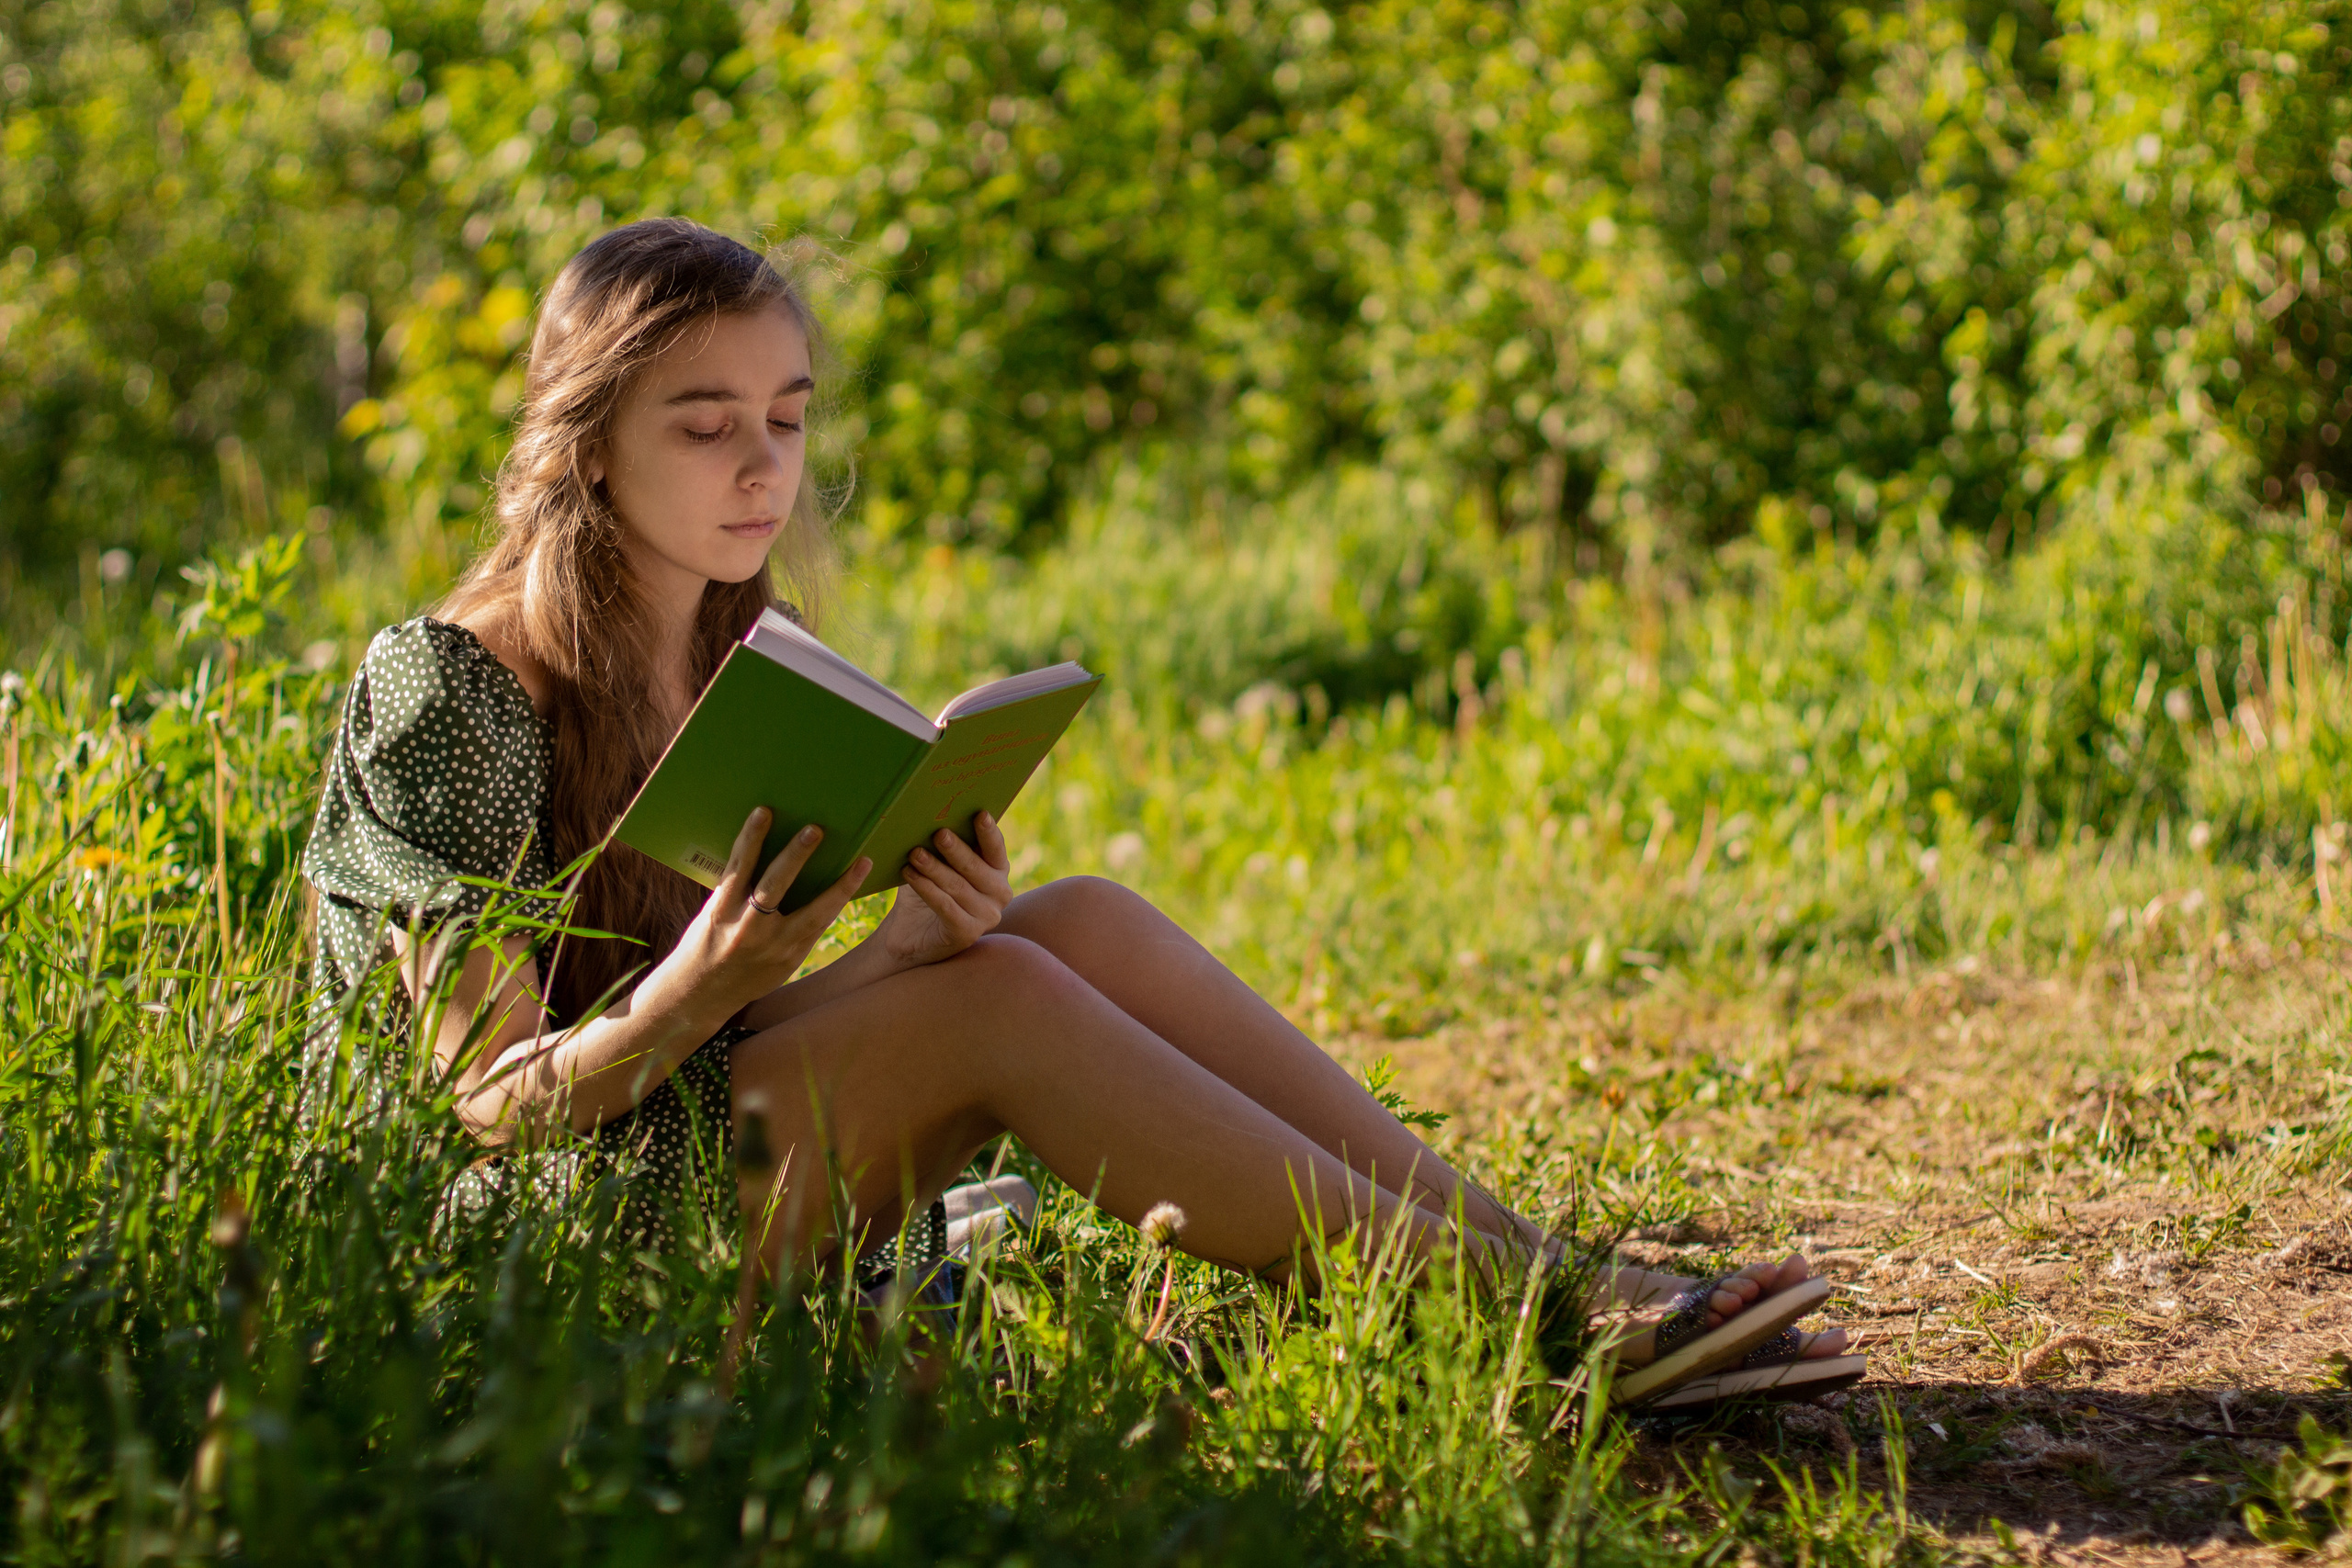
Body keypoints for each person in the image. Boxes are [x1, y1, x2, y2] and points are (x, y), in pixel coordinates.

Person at [301, 218, 1849, 1393]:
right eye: (704, 424)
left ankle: (1557, 1270)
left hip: (684, 1154)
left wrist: (892, 953)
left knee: (1066, 923)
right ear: (584, 445)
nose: (762, 463)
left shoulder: (721, 648)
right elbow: (488, 1109)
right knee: (1006, 1008)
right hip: (499, 1265)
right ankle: (1535, 1333)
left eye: (786, 415)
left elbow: (717, 1041)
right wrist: (725, 976)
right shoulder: (451, 690)